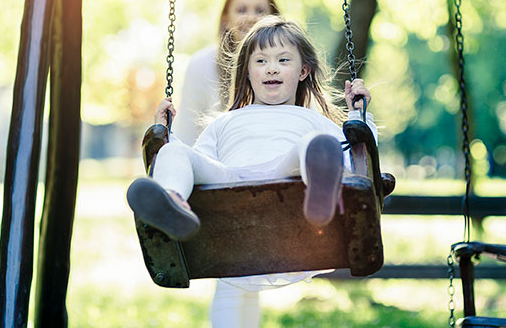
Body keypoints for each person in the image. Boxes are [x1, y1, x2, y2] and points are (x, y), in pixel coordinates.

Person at [128, 16, 377, 328]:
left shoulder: (311, 119)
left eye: (283, 60)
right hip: (231, 181)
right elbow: (200, 163)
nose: (271, 68)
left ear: (303, 71)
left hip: (287, 177)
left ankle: (319, 198)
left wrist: (359, 114)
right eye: (261, 60)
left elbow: (358, 155)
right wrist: (169, 136)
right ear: (247, 71)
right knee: (175, 153)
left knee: (317, 144)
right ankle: (173, 204)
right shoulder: (225, 122)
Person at [172, 0, 280, 146]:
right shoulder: (202, 65)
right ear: (226, 20)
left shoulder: (288, 63)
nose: (251, 18)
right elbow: (186, 133)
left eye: (260, 11)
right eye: (241, 10)